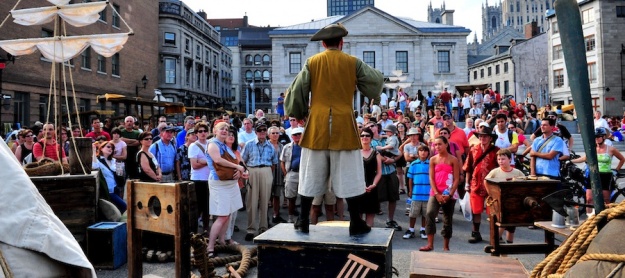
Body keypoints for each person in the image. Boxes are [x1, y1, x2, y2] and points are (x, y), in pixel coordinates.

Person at [284, 22, 384, 236]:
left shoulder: (312, 62)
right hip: (343, 124)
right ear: (341, 43)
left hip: (317, 124)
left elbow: (297, 91)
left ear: (322, 44)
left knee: (310, 173)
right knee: (350, 174)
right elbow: (376, 81)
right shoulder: (352, 62)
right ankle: (356, 221)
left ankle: (302, 220)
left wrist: (300, 113)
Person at [205, 122, 246, 258]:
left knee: (227, 213)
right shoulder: (212, 144)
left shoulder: (226, 147)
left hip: (231, 184)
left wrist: (240, 171)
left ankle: (222, 240)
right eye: (222, 128)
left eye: (227, 129)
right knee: (222, 215)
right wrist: (238, 167)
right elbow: (217, 160)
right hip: (219, 184)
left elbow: (236, 163)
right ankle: (210, 246)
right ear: (215, 130)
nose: (224, 131)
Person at [571, 128, 625, 215]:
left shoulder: (611, 149)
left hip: (605, 175)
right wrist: (571, 161)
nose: (596, 139)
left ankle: (607, 218)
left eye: (598, 137)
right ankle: (590, 218)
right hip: (593, 174)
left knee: (606, 199)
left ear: (604, 137)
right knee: (589, 199)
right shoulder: (592, 149)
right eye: (595, 137)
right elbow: (584, 158)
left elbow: (622, 159)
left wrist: (616, 170)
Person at [420, 136, 460, 252]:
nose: (437, 147)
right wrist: (436, 193)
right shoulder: (433, 159)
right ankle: (430, 244)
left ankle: (446, 246)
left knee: (447, 218)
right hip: (435, 192)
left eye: (440, 144)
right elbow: (431, 178)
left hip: (449, 192)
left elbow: (457, 179)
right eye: (435, 145)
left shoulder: (453, 159)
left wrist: (450, 194)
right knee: (430, 213)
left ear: (446, 144)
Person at [241, 121, 278, 241]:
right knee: (251, 201)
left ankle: (263, 228)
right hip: (252, 170)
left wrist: (267, 173)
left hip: (266, 171)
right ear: (256, 132)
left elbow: (274, 162)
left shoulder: (270, 146)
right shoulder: (249, 144)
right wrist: (247, 172)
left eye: (263, 130)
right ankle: (251, 229)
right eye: (259, 130)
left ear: (266, 132)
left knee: (265, 201)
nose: (262, 132)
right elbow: (243, 161)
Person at [463, 126, 499, 244]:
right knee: (476, 210)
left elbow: (501, 168)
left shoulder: (496, 150)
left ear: (490, 138)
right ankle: (475, 233)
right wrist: (467, 183)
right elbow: (468, 168)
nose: (482, 138)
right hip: (475, 183)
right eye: (480, 136)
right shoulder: (473, 149)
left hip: (492, 185)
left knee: (493, 211)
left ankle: (495, 235)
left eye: (485, 136)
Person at [484, 149, 525, 243]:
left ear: (510, 159)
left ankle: (509, 243)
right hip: (500, 202)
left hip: (513, 202)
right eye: (499, 159)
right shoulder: (495, 172)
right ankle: (495, 241)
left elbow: (525, 182)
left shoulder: (517, 172)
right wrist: (490, 193)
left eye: (503, 159)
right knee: (502, 222)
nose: (500, 161)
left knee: (511, 226)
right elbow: (486, 181)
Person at [92, 141, 127, 214]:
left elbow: (120, 174)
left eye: (112, 148)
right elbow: (94, 166)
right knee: (124, 206)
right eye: (108, 147)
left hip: (116, 188)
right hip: (107, 190)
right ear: (101, 148)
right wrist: (94, 151)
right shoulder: (98, 160)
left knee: (118, 208)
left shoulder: (114, 160)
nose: (110, 149)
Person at [357, 127, 383, 227]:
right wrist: (360, 185)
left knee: (370, 214)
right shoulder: (355, 153)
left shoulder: (376, 153)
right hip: (358, 187)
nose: (364, 137)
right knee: (357, 214)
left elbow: (379, 172)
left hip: (371, 187)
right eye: (362, 135)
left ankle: (368, 239)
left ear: (371, 138)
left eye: (367, 135)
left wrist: (374, 184)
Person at [405, 145, 431, 240]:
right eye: (421, 150)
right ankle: (411, 229)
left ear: (428, 153)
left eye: (425, 151)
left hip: (427, 194)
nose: (423, 152)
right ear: (418, 152)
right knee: (413, 213)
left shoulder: (431, 164)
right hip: (416, 193)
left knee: (425, 214)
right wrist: (410, 190)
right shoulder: (413, 164)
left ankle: (423, 229)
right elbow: (410, 179)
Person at [188, 122, 211, 232]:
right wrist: (207, 162)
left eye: (205, 131)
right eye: (200, 131)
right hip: (198, 179)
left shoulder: (210, 144)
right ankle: (194, 231)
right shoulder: (193, 146)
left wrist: (203, 161)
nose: (203, 133)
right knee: (198, 207)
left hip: (209, 179)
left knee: (207, 206)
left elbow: (215, 161)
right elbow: (195, 165)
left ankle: (206, 229)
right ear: (196, 133)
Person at [281, 127, 304, 223]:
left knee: (305, 198)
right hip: (292, 173)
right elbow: (282, 161)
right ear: (292, 136)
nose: (297, 136)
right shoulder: (287, 147)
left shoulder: (307, 147)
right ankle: (290, 218)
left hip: (304, 174)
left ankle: (304, 218)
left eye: (299, 134)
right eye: (295, 135)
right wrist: (286, 173)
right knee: (291, 198)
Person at [268, 126, 287, 224]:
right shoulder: (266, 145)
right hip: (268, 173)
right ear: (269, 135)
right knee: (266, 195)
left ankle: (276, 214)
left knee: (277, 195)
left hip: (279, 173)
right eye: (273, 133)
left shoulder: (282, 146)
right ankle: (265, 218)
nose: (275, 135)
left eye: (277, 133)